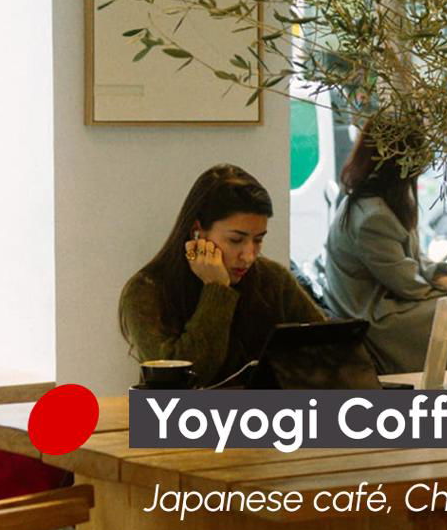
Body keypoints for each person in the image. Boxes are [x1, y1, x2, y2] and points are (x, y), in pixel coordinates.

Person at [120, 164, 323, 387]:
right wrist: (216, 290)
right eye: (236, 240)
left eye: (258, 239)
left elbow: (334, 350)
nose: (249, 256)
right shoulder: (147, 290)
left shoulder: (273, 279)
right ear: (197, 231)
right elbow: (181, 384)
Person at [323, 124, 447, 373]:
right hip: (374, 315)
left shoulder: (381, 202)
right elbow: (407, 283)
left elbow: (414, 259)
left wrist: (441, 275)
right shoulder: (373, 217)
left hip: (385, 302)